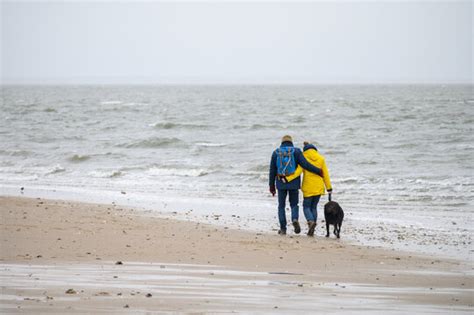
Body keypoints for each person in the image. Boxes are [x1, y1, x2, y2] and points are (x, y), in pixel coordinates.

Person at [269, 135, 323, 235]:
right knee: (294, 204)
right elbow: (305, 165)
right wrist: (318, 171)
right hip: (294, 183)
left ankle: (283, 229)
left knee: (281, 206)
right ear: (291, 142)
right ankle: (294, 219)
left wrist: (271, 186)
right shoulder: (297, 151)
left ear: (282, 143)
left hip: (281, 183)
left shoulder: (276, 152)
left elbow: (272, 171)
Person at [285, 141, 332, 236]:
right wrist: (329, 187)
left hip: (308, 187)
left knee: (306, 207)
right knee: (314, 207)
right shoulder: (321, 159)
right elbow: (325, 174)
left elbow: (298, 172)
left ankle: (310, 221)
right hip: (319, 187)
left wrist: (287, 178)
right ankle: (312, 227)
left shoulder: (304, 158)